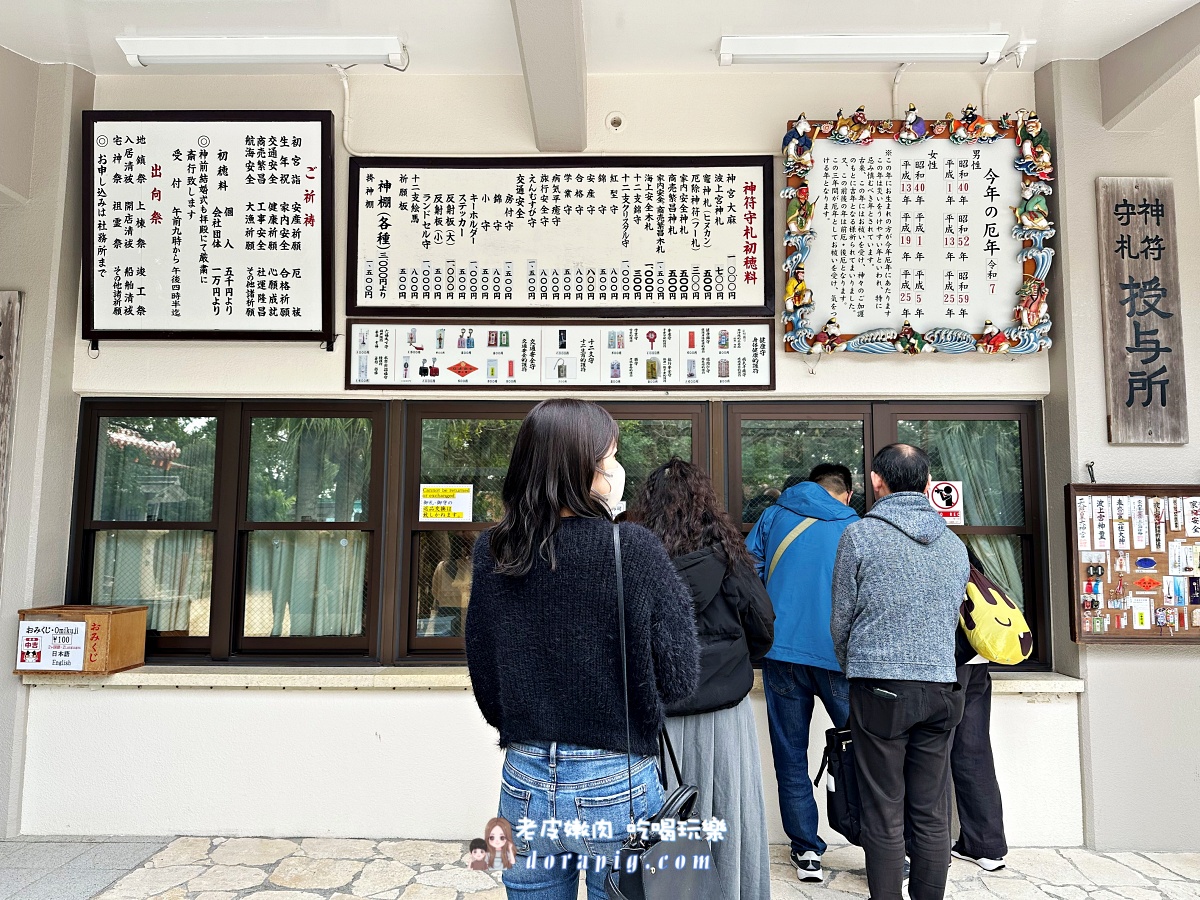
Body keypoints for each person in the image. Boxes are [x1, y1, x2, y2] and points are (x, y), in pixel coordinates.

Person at [465, 398, 700, 900]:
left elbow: (485, 680)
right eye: (609, 457)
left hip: (524, 776)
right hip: (616, 777)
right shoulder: (630, 547)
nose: (616, 468)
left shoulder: (495, 550)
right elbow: (678, 676)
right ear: (585, 470)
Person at [632, 457, 776, 900]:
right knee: (729, 818)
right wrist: (730, 666)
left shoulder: (636, 562)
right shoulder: (731, 560)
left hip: (660, 723)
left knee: (663, 827)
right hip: (725, 720)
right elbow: (764, 629)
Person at [830, 443, 968, 900]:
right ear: (928, 485)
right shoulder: (953, 544)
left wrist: (856, 667)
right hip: (942, 687)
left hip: (880, 687)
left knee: (884, 808)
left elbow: (841, 621)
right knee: (931, 811)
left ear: (875, 481)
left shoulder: (860, 536)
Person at [745, 462, 859, 883]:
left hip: (782, 653)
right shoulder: (855, 525)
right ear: (845, 493)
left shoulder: (773, 516)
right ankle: (882, 846)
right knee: (867, 753)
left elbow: (747, 571)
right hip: (840, 657)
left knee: (790, 754)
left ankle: (807, 851)